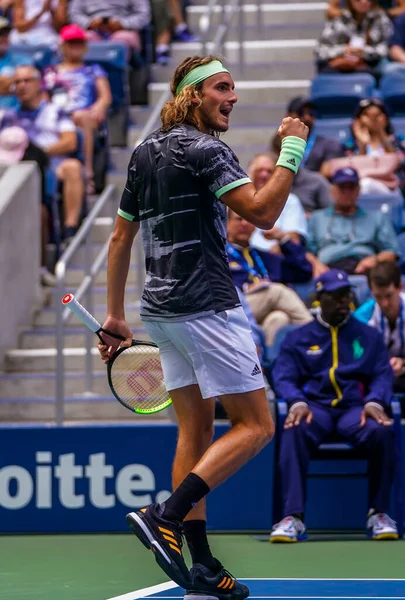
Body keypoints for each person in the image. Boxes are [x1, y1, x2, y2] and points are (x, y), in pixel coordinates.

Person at [97, 55, 308, 595]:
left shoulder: (143, 153)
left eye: (234, 88)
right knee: (257, 425)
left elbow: (120, 240)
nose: (232, 97)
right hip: (208, 307)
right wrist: (292, 148)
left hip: (160, 312)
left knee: (195, 431)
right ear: (193, 96)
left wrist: (116, 316)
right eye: (222, 88)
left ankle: (204, 567)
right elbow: (262, 213)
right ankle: (166, 516)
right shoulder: (207, 148)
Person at [270, 268, 398, 542]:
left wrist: (375, 401)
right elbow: (283, 376)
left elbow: (382, 374)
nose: (344, 302)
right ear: (320, 298)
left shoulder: (368, 336)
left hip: (356, 410)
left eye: (347, 296)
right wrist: (297, 402)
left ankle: (378, 513)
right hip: (316, 409)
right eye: (336, 297)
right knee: (293, 428)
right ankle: (293, 517)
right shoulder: (298, 338)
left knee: (381, 431)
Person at [1, 65, 84, 242]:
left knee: (73, 167)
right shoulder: (8, 117)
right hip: (15, 167)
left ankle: (70, 228)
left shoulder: (55, 111)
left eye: (27, 81)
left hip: (50, 164)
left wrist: (39, 153)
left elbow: (70, 141)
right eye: (17, 82)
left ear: (39, 84)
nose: (22, 86)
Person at [43, 24, 112, 194]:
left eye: (79, 43)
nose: (75, 47)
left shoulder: (93, 70)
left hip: (85, 115)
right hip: (57, 116)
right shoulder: (51, 72)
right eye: (71, 43)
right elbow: (44, 99)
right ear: (63, 46)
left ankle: (87, 174)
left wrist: (98, 107)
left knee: (83, 117)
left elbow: (105, 97)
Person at [227, 209, 313, 345]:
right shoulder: (220, 256)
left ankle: (267, 363)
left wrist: (283, 239)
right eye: (239, 219)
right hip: (234, 309)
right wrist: (245, 287)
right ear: (227, 223)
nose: (244, 224)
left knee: (279, 318)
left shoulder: (263, 257)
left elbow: (304, 271)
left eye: (248, 220)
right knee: (276, 291)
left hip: (261, 312)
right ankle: (317, 334)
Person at [306, 167, 399, 277]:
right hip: (328, 270)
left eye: (351, 187)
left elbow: (392, 252)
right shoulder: (317, 218)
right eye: (342, 187)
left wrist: (374, 260)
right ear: (332, 190)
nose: (347, 192)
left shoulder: (376, 217)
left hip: (364, 270)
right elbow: (306, 252)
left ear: (359, 190)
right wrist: (316, 264)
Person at [0, 125, 55, 286]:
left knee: (41, 213)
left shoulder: (36, 160)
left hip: (28, 212)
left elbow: (43, 196)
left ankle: (41, 269)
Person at [355, 261, 405, 399]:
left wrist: (403, 363)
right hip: (375, 376)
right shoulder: (361, 318)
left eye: (389, 296)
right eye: (378, 297)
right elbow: (357, 357)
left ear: (400, 287)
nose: (384, 303)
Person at [246, 153, 308, 252]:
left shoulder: (290, 200)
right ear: (249, 172)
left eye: (269, 171)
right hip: (240, 255)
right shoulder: (239, 198)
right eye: (259, 170)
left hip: (277, 257)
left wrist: (279, 238)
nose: (264, 175)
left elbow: (294, 240)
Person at [316, 0, 392, 75]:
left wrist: (364, 52)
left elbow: (386, 49)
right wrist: (344, 50)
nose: (363, 1)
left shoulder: (380, 19)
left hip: (370, 64)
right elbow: (320, 51)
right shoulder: (339, 20)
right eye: (358, 0)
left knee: (391, 70)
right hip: (340, 63)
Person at [271, 97, 344, 173]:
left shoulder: (328, 145)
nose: (307, 117)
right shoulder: (278, 141)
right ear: (288, 116)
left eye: (311, 113)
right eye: (301, 113)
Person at [68, 0, 151, 53]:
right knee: (83, 38)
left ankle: (120, 78)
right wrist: (88, 23)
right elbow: (73, 14)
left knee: (121, 39)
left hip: (124, 31)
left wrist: (123, 24)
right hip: (92, 30)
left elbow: (144, 15)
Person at [0, 16, 33, 109]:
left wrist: (13, 84)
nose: (3, 37)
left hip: (17, 114)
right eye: (0, 33)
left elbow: (31, 86)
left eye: (6, 33)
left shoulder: (22, 60)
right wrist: (14, 83)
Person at [327, 0, 405, 20]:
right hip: (351, 26)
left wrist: (384, 13)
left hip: (377, 26)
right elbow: (330, 12)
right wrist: (353, 13)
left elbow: (403, 8)